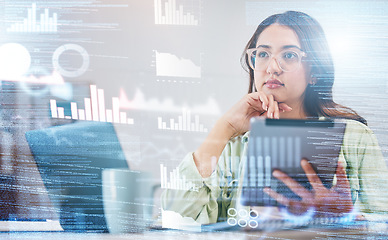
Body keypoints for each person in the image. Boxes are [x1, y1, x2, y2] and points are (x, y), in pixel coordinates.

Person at [161, 11, 388, 224]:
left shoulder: (354, 138)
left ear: (315, 73)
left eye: (289, 55)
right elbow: (177, 217)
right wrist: (224, 127)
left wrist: (343, 221)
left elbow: (382, 225)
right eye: (262, 54)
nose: (272, 67)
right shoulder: (234, 144)